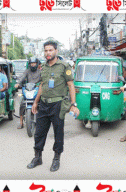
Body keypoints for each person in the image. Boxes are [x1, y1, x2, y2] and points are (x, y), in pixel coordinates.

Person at [27, 41, 80, 172]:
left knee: (58, 133)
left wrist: (73, 104)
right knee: (39, 133)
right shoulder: (43, 67)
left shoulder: (64, 66)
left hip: (58, 105)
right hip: (44, 104)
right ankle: (37, 157)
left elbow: (71, 85)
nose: (48, 53)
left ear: (56, 51)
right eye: (46, 51)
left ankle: (56, 159)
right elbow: (42, 85)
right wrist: (35, 102)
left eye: (50, 50)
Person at [15, 57, 41, 129]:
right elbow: (22, 77)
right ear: (29, 64)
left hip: (37, 90)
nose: (33, 65)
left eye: (34, 63)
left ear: (37, 64)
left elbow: (44, 80)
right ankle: (21, 123)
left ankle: (44, 121)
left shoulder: (40, 72)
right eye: (31, 63)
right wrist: (18, 83)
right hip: (29, 90)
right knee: (22, 104)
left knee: (43, 103)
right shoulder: (27, 71)